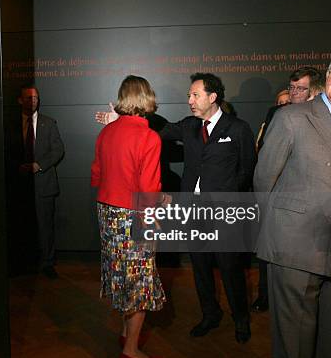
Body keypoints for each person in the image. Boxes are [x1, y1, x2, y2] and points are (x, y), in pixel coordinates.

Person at [96, 73, 256, 344]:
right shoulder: (188, 126)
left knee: (230, 268)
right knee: (201, 267)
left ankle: (241, 320)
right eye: (189, 95)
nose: (189, 100)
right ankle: (210, 315)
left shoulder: (238, 128)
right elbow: (153, 131)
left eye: (195, 95)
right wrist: (121, 120)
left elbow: (247, 169)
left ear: (212, 97)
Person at [255, 48, 331, 358]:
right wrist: (277, 235)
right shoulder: (291, 117)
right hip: (294, 246)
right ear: (328, 73)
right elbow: (264, 180)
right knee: (294, 345)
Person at [92, 75, 165, 358]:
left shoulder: (107, 132)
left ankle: (125, 333)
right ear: (146, 97)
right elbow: (149, 189)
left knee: (121, 275)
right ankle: (131, 352)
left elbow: (96, 173)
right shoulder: (148, 137)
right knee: (140, 283)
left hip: (107, 211)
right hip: (134, 214)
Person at [252, 66, 322, 312]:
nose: (293, 93)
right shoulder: (277, 113)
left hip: (310, 203)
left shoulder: (328, 118)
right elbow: (266, 157)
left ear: (315, 91)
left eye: (299, 89)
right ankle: (265, 295)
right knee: (269, 251)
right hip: (276, 197)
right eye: (291, 87)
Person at [5, 85, 64, 278]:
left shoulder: (49, 123)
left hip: (44, 186)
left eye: (36, 98)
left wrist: (38, 165)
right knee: (20, 225)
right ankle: (23, 263)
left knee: (45, 227)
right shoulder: (10, 124)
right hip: (19, 186)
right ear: (20, 100)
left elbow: (58, 150)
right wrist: (18, 167)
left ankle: (47, 264)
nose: (33, 101)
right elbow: (3, 150)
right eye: (29, 98)